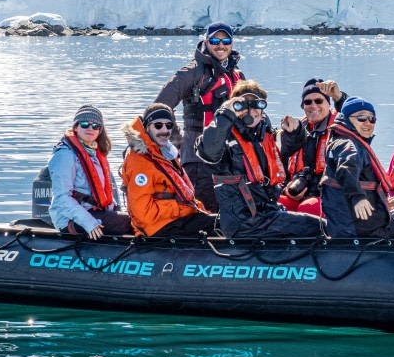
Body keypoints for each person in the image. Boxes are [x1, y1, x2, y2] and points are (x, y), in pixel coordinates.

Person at [198, 80, 324, 238]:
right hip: (244, 221)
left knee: (319, 224)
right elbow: (208, 151)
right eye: (244, 105)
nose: (251, 111)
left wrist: (296, 130)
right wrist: (225, 115)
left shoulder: (264, 136)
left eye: (256, 105)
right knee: (318, 227)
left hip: (267, 212)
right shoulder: (223, 138)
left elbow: (290, 145)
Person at [154, 21, 244, 212]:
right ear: (206, 42)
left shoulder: (236, 74)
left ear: (232, 43)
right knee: (204, 210)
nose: (221, 45)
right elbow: (159, 107)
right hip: (198, 160)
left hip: (229, 157)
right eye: (215, 41)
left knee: (227, 210)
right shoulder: (192, 73)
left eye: (225, 40)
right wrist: (177, 142)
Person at [320, 97, 394, 239]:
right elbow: (347, 166)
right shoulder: (348, 144)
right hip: (363, 228)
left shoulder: (341, 141)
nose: (368, 123)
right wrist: (358, 197)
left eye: (372, 119)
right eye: (361, 118)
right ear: (347, 119)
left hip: (348, 225)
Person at [121, 104, 216, 237]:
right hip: (156, 227)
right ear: (147, 127)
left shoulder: (164, 153)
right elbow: (143, 214)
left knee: (223, 222)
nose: (165, 131)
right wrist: (183, 208)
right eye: (158, 125)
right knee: (219, 224)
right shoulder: (140, 162)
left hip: (173, 220)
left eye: (169, 125)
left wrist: (200, 211)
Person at [47, 104, 133, 238]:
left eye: (95, 126)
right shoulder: (65, 155)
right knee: (133, 223)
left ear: (100, 130)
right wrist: (89, 223)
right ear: (76, 127)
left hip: (95, 212)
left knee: (139, 218)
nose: (90, 128)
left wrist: (115, 211)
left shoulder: (94, 154)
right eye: (85, 124)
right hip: (70, 219)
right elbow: (61, 198)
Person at [277, 78, 348, 216]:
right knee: (274, 203)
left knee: (307, 208)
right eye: (307, 102)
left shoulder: (341, 128)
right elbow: (280, 167)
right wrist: (287, 190)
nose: (313, 105)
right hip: (301, 195)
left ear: (329, 104)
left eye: (319, 101)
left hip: (333, 197)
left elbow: (353, 118)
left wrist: (339, 98)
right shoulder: (296, 130)